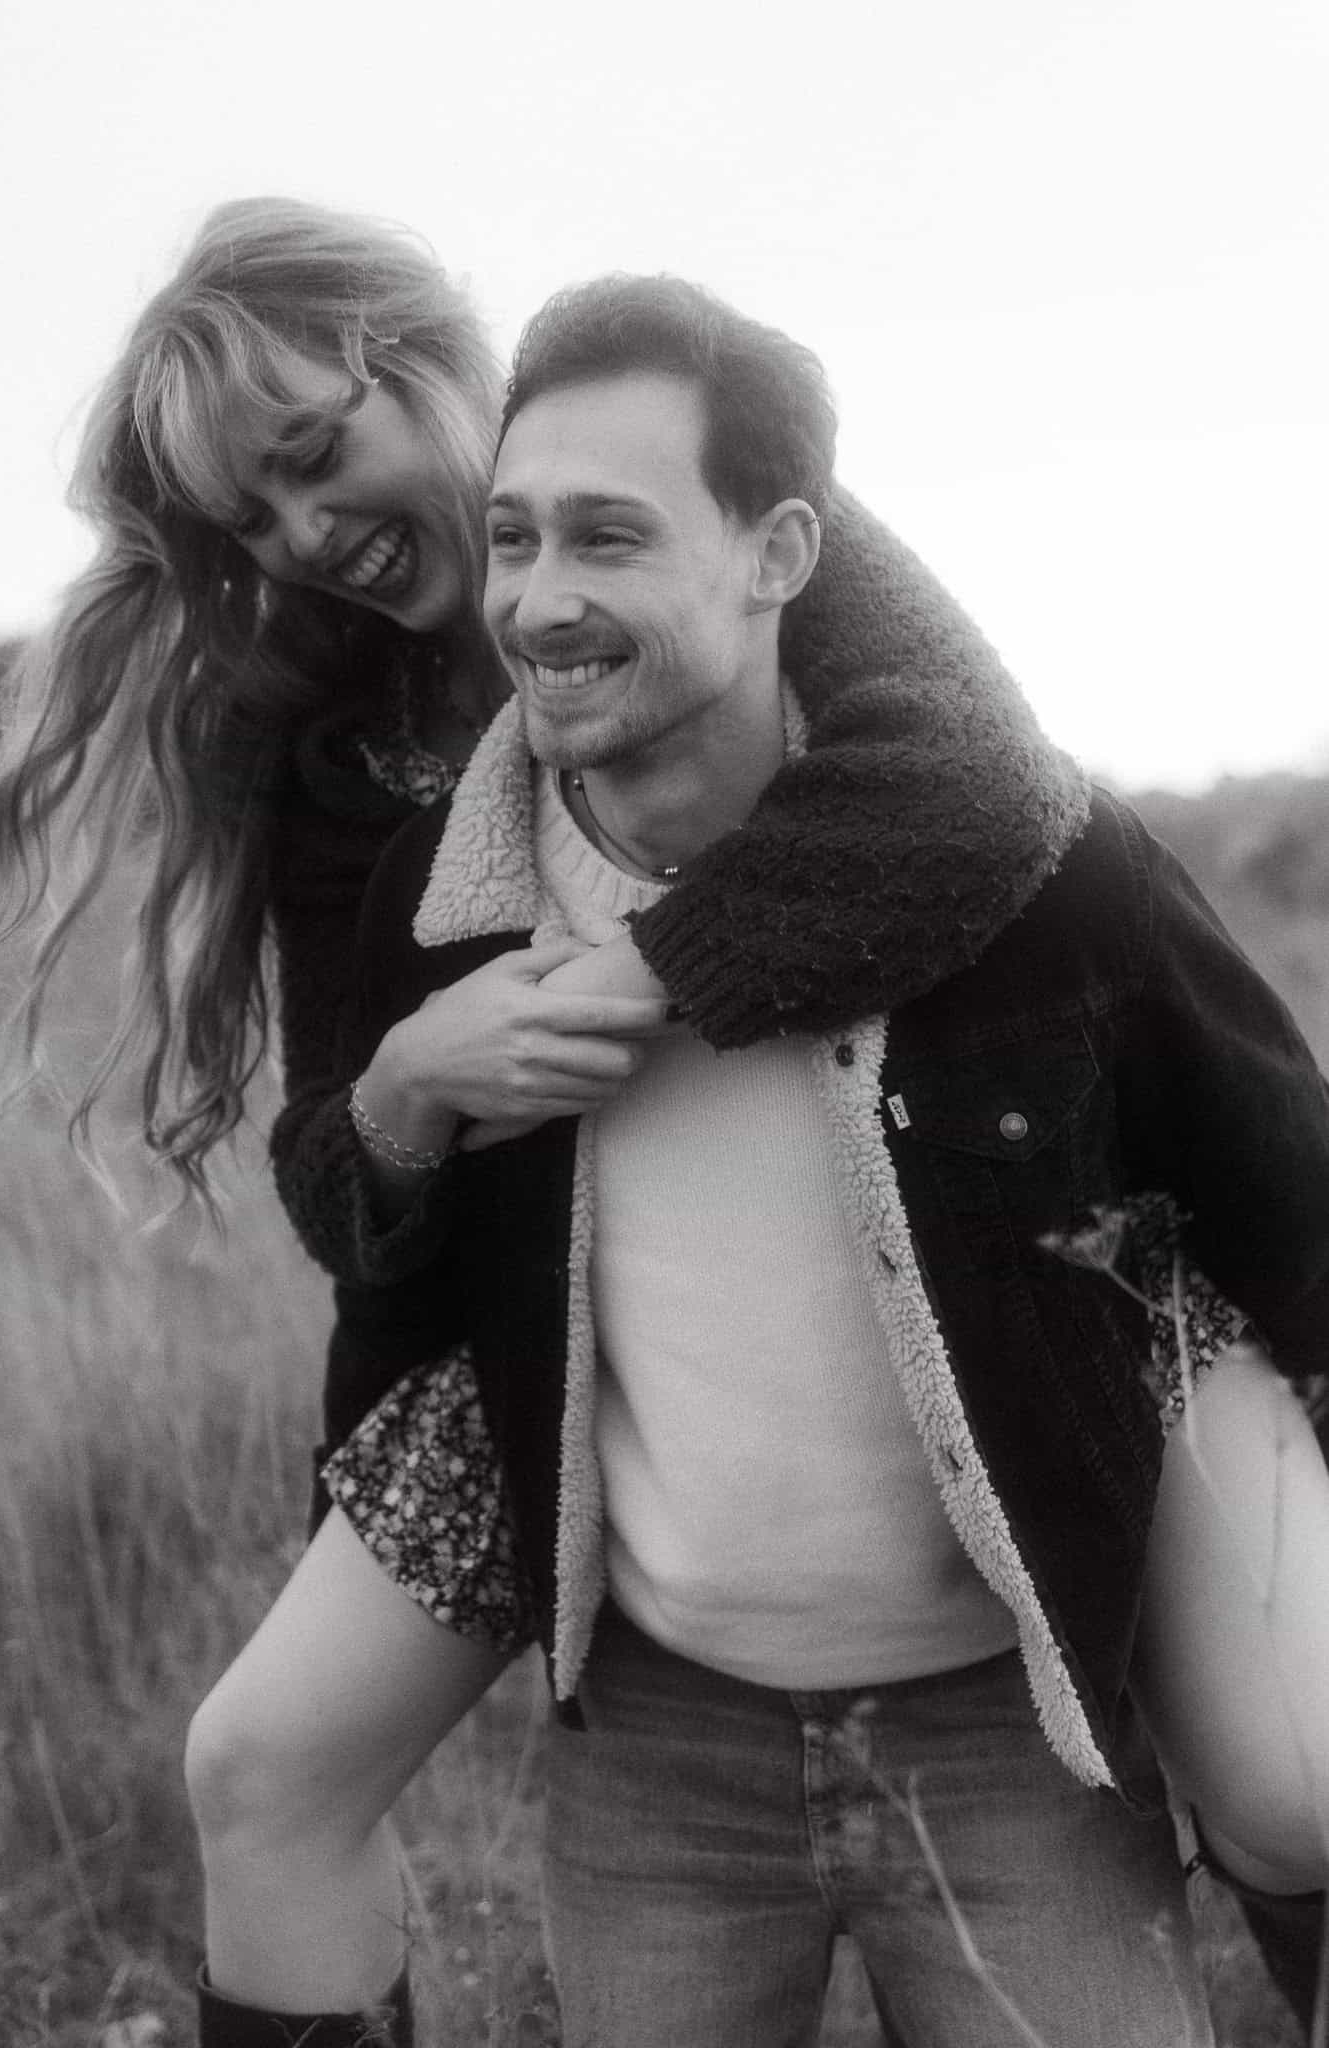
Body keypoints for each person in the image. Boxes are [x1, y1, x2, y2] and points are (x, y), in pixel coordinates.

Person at [0, 200, 1093, 2039]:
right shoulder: (335, 750)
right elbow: (344, 1191)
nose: (305, 537)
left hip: (895, 1267)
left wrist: (631, 976)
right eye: (250, 521)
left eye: (315, 455)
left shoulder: (725, 509)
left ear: (431, 350)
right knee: (259, 1771)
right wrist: (410, 1087)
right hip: (498, 1347)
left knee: (1272, 1756)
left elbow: (978, 787)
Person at [290, 274, 1329, 2047]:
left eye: (609, 537)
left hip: (1017, 1729)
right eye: (515, 536)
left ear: (778, 553)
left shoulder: (1037, 870)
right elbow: (361, 1229)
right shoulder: (445, 906)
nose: (539, 600)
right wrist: (402, 1095)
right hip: (656, 1747)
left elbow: (1280, 1187)